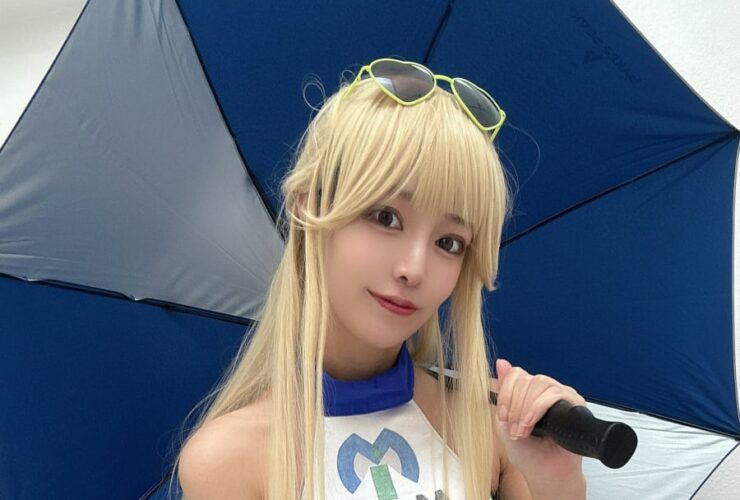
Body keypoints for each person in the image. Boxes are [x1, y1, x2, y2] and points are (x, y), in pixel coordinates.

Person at [175, 58, 587, 499]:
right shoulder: (228, 459)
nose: (414, 269)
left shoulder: (496, 421)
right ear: (308, 208)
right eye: (386, 217)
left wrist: (555, 481)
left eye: (449, 242)